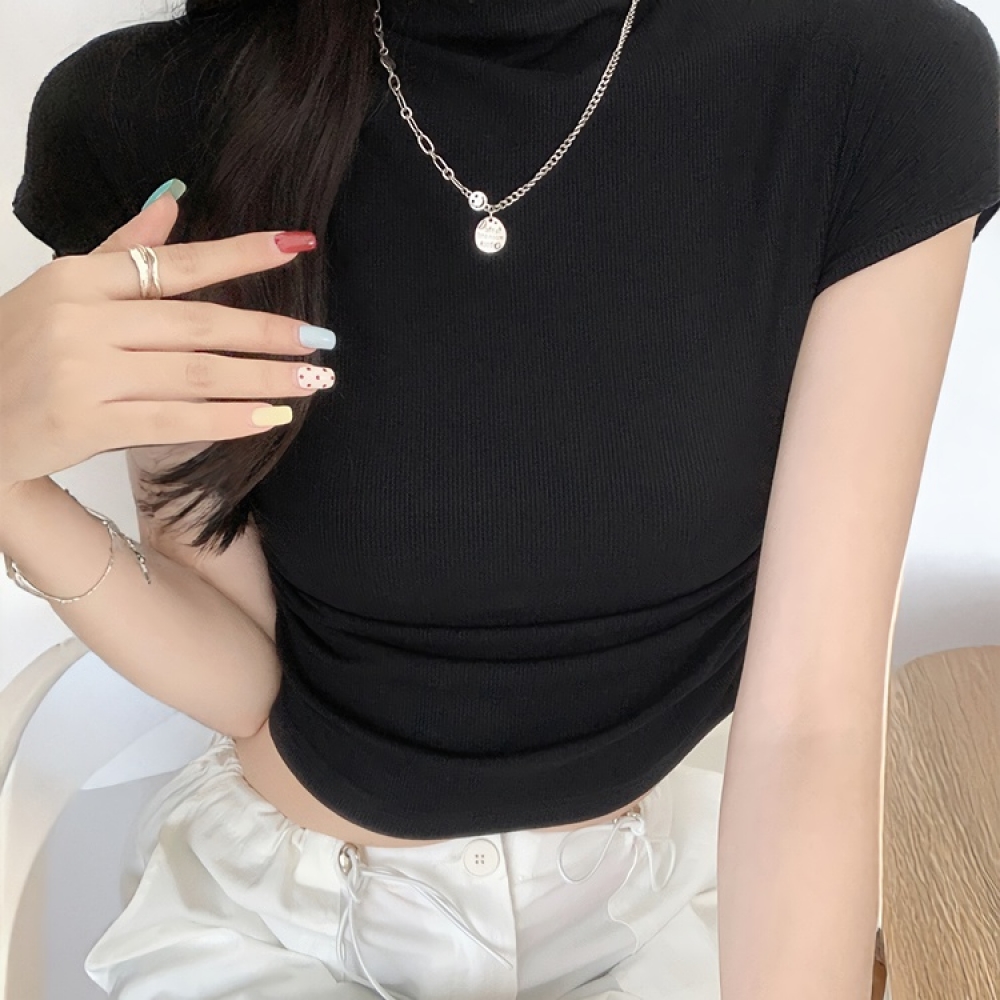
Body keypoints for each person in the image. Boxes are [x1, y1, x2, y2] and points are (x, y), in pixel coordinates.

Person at [1, 0, 998, 996]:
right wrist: (9, 483)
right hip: (288, 922)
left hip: (671, 898)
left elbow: (811, 722)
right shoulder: (157, 112)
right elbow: (240, 674)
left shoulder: (870, 80)